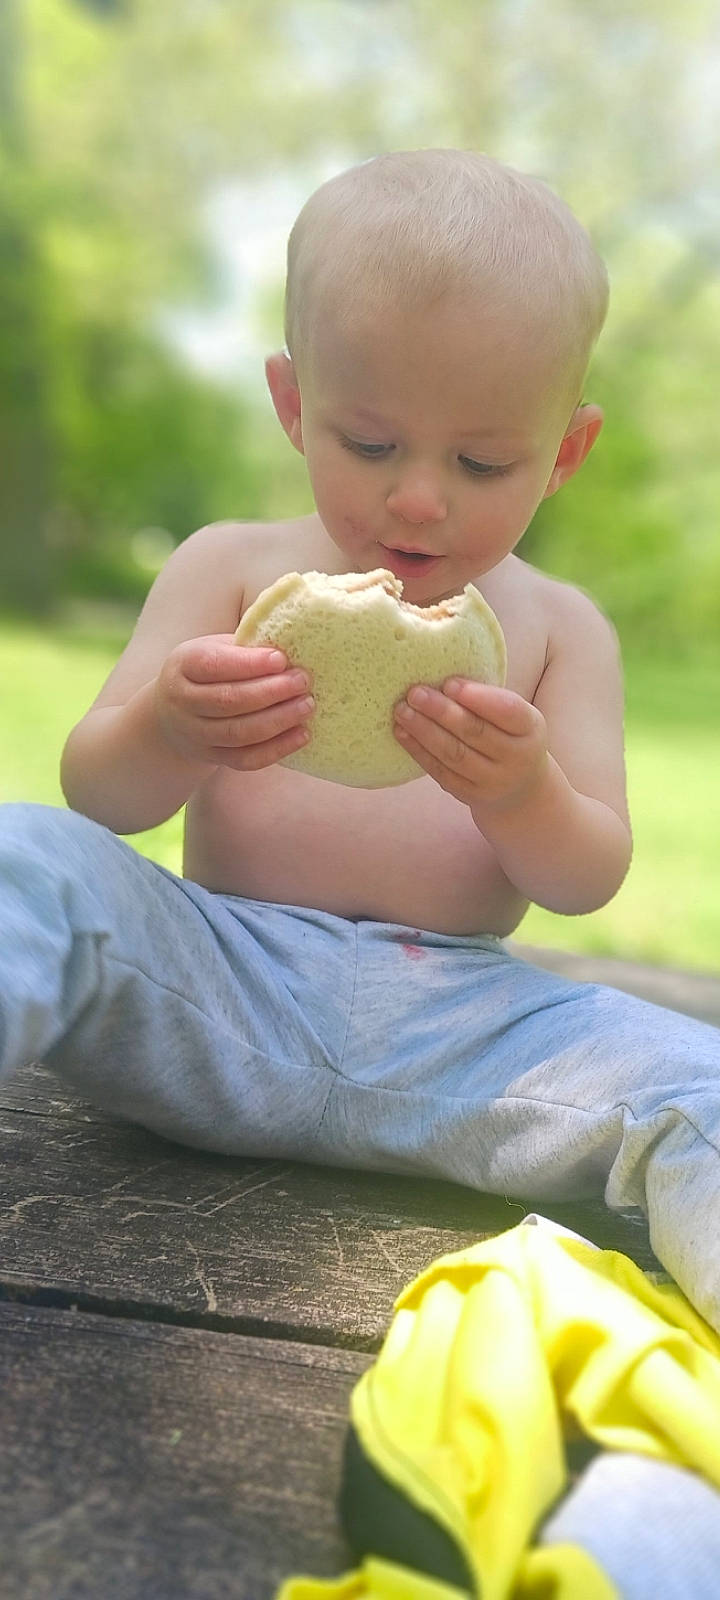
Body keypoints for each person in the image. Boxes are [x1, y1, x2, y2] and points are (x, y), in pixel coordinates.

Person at [1, 150, 718, 1339]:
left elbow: (587, 875)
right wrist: (172, 728)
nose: (419, 500)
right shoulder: (230, 568)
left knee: (699, 1083)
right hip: (216, 983)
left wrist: (522, 789)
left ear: (564, 453)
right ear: (294, 405)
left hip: (466, 1031)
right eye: (371, 443)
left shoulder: (563, 631)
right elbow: (100, 796)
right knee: (24, 858)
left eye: (481, 462)